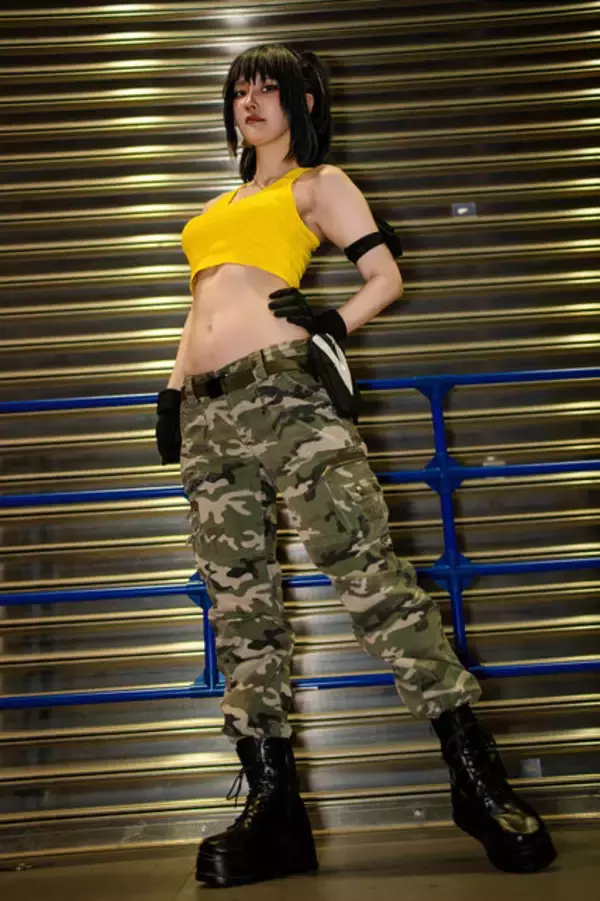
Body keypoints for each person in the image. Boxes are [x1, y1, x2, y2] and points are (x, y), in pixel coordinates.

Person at [155, 43, 556, 889]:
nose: (249, 101)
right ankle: (275, 809)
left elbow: (385, 274)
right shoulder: (219, 206)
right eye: (239, 90)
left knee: (370, 573)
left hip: (287, 398)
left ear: (303, 101)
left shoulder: (317, 184)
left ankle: (477, 781)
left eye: (267, 88)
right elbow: (203, 305)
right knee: (238, 605)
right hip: (207, 415)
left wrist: (331, 321)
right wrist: (172, 388)